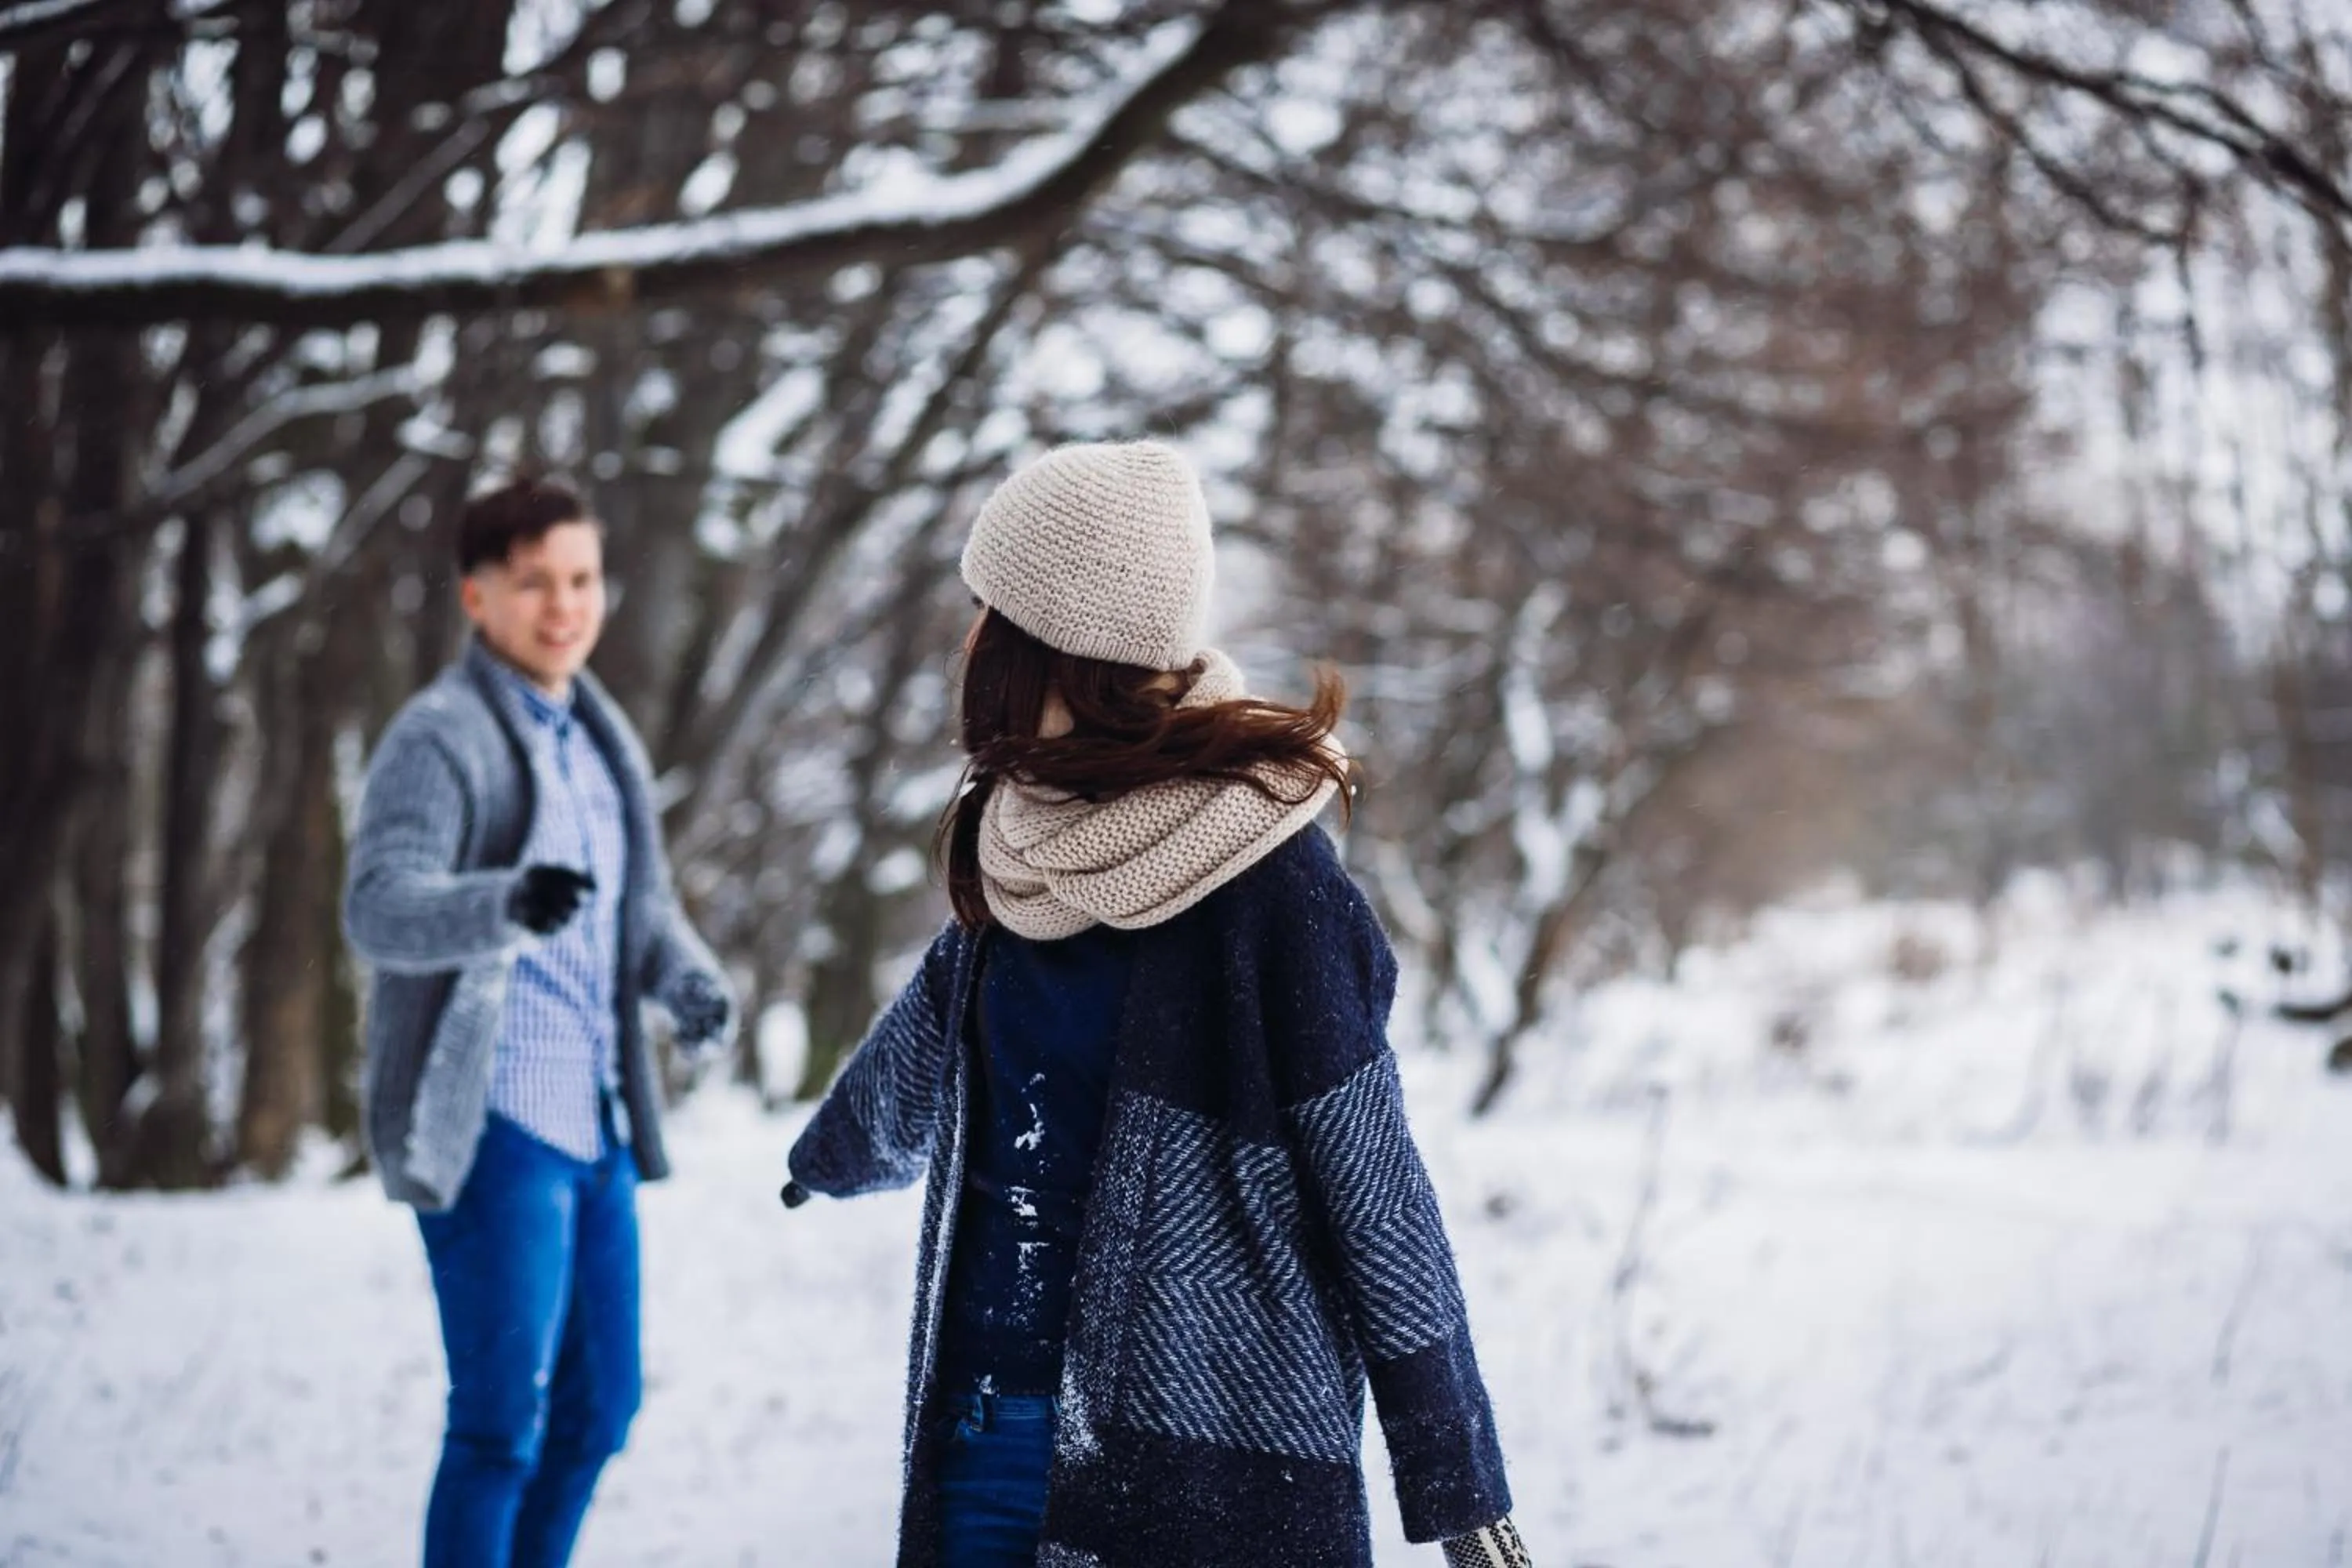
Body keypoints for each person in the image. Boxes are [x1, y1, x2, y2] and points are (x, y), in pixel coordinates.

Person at [779, 441, 1529, 1567]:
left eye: (993, 614)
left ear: (1063, 649)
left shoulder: (1270, 891)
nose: (970, 642)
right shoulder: (1017, 843)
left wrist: (1461, 1489)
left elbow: (1376, 1193)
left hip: (1206, 1459)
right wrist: (828, 1154)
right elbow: (928, 1047)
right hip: (986, 1425)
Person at [343, 477, 735, 1568]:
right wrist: (499, 902)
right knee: (498, 1429)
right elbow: (377, 905)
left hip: (597, 1120)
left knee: (600, 1411)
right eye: (533, 584)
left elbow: (633, 914)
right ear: (476, 596)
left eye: (580, 579)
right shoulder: (439, 738)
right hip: (494, 1125)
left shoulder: (596, 736)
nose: (564, 605)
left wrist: (689, 982)